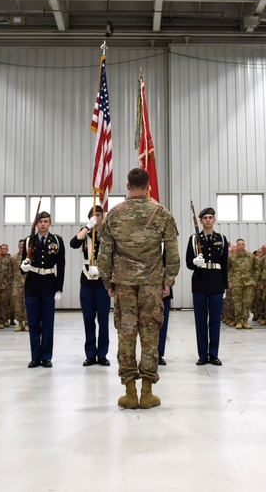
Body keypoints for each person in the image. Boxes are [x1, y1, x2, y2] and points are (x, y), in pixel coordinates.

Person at [97, 168, 179, 409]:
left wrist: (108, 282)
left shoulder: (114, 214)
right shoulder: (161, 213)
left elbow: (104, 255)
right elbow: (172, 253)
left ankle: (130, 392)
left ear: (127, 185)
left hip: (123, 286)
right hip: (152, 285)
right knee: (150, 335)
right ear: (148, 185)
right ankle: (147, 392)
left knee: (126, 334)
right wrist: (168, 281)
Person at [21, 211, 65, 368]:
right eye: (40, 222)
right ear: (36, 224)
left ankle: (46, 357)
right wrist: (23, 268)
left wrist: (59, 289)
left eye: (46, 221)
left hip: (49, 285)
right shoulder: (29, 241)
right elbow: (23, 266)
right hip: (32, 285)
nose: (43, 224)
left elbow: (61, 265)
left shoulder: (57, 240)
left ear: (50, 223)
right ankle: (35, 357)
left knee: (47, 323)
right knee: (33, 323)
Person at [186, 207, 228, 365]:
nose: (208, 220)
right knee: (200, 320)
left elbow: (224, 264)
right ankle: (203, 355)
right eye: (205, 218)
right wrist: (195, 262)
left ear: (214, 220)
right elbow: (188, 262)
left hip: (216, 283)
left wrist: (225, 286)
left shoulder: (221, 239)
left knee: (215, 321)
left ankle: (214, 354)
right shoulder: (193, 239)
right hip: (200, 283)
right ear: (201, 221)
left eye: (211, 217)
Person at [69, 204, 111, 367]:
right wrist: (88, 226)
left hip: (102, 281)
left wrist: (102, 268)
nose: (97, 217)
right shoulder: (85, 232)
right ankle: (90, 354)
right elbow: (73, 243)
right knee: (88, 320)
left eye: (99, 215)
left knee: (103, 320)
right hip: (86, 280)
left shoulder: (108, 234)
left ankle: (102, 354)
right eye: (93, 215)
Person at [228, 238, 256, 329]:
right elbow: (227, 270)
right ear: (236, 245)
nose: (241, 246)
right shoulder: (232, 257)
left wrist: (254, 279)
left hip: (248, 283)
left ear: (245, 245)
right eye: (239, 244)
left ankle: (245, 321)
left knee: (247, 303)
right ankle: (238, 321)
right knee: (237, 303)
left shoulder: (251, 256)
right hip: (237, 283)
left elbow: (257, 268)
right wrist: (230, 281)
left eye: (242, 244)